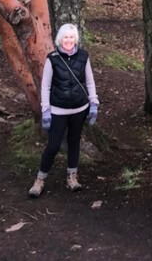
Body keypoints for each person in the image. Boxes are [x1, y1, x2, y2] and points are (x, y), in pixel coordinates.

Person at [28, 23, 99, 198]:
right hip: (58, 110)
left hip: (80, 109)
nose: (68, 40)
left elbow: (89, 82)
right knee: (53, 146)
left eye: (71, 37)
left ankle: (72, 177)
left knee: (74, 142)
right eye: (65, 37)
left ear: (76, 39)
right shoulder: (52, 59)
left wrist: (93, 103)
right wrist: (45, 111)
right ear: (60, 39)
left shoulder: (83, 57)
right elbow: (45, 87)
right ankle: (40, 179)